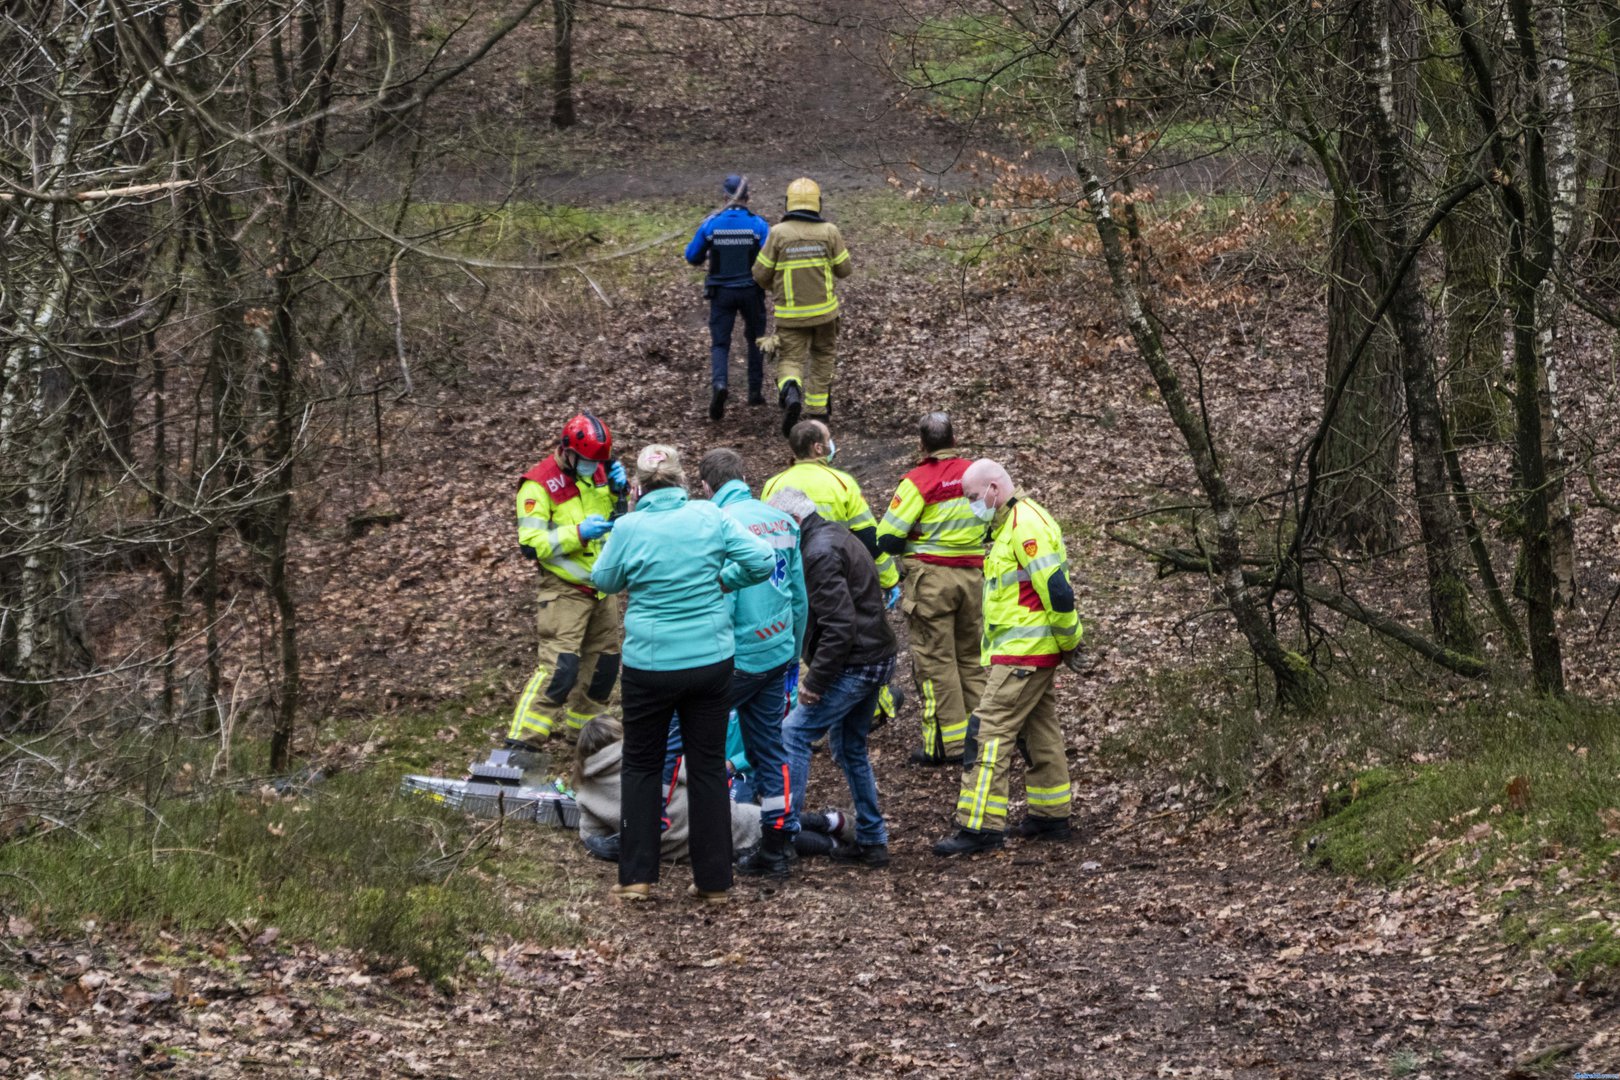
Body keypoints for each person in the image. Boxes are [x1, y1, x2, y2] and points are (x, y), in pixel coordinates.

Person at [590, 445, 775, 904]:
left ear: (638, 486)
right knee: (708, 766)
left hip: (649, 666)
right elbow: (763, 560)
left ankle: (636, 878)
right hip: (710, 662)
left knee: (642, 766)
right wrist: (722, 580)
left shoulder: (630, 526)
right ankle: (714, 882)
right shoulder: (709, 517)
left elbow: (603, 579)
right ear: (682, 481)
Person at [932, 459, 1082, 857]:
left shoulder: (1024, 526)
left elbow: (1057, 591)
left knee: (987, 731)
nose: (970, 505)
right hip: (1026, 653)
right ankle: (1051, 815)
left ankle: (979, 826)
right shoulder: (1013, 524)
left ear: (994, 489)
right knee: (1038, 729)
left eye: (972, 497)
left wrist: (1071, 642)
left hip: (1025, 655)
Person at [767, 487, 898, 869]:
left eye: (778, 528)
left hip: (856, 664)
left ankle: (784, 833)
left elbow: (839, 626)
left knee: (794, 731)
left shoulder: (818, 553)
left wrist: (815, 683)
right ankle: (872, 838)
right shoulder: (835, 535)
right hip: (875, 657)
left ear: (793, 522)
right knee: (849, 746)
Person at [698, 448, 808, 880]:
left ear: (707, 487)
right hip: (777, 651)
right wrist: (794, 653)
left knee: (690, 739)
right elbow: (799, 595)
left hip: (737, 656)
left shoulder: (721, 525)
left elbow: (723, 596)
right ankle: (777, 843)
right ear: (743, 475)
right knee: (770, 750)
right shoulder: (781, 520)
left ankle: (694, 833)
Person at [576, 716, 855, 863]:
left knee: (756, 832)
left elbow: (593, 836)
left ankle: (833, 841)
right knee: (768, 826)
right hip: (710, 820)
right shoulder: (648, 757)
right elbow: (696, 774)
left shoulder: (586, 792)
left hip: (680, 849)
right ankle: (834, 828)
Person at [507, 412, 628, 750]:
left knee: (603, 669)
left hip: (602, 589)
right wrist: (577, 533)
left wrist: (622, 492)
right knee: (560, 669)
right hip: (564, 591)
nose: (595, 466)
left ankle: (586, 740)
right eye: (589, 460)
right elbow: (531, 544)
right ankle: (521, 744)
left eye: (600, 461)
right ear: (568, 451)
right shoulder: (538, 484)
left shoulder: (601, 472)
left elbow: (619, 521)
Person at [875, 412, 987, 766]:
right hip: (974, 577)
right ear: (955, 440)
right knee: (970, 658)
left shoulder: (917, 481)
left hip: (931, 580)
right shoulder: (978, 474)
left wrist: (918, 533)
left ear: (921, 445)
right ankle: (985, 738)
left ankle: (949, 746)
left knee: (937, 662)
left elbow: (888, 538)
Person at [752, 177, 852, 437]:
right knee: (822, 358)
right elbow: (844, 269)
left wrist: (778, 285)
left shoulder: (778, 234)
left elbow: (760, 274)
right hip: (825, 315)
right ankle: (818, 414)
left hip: (790, 317)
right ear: (818, 203)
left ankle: (792, 392)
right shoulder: (829, 231)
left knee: (790, 361)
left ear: (789, 203)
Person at [762, 419, 899, 594]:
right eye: (828, 438)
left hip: (790, 579)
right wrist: (889, 580)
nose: (832, 443)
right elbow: (868, 536)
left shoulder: (772, 486)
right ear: (818, 448)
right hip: (835, 574)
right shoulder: (843, 483)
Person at [684, 174, 771, 422]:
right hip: (751, 291)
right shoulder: (759, 225)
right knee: (757, 339)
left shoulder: (711, 224)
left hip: (721, 293)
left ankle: (720, 384)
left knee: (720, 344)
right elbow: (770, 258)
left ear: (724, 196)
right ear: (748, 197)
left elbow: (692, 256)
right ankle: (754, 392)